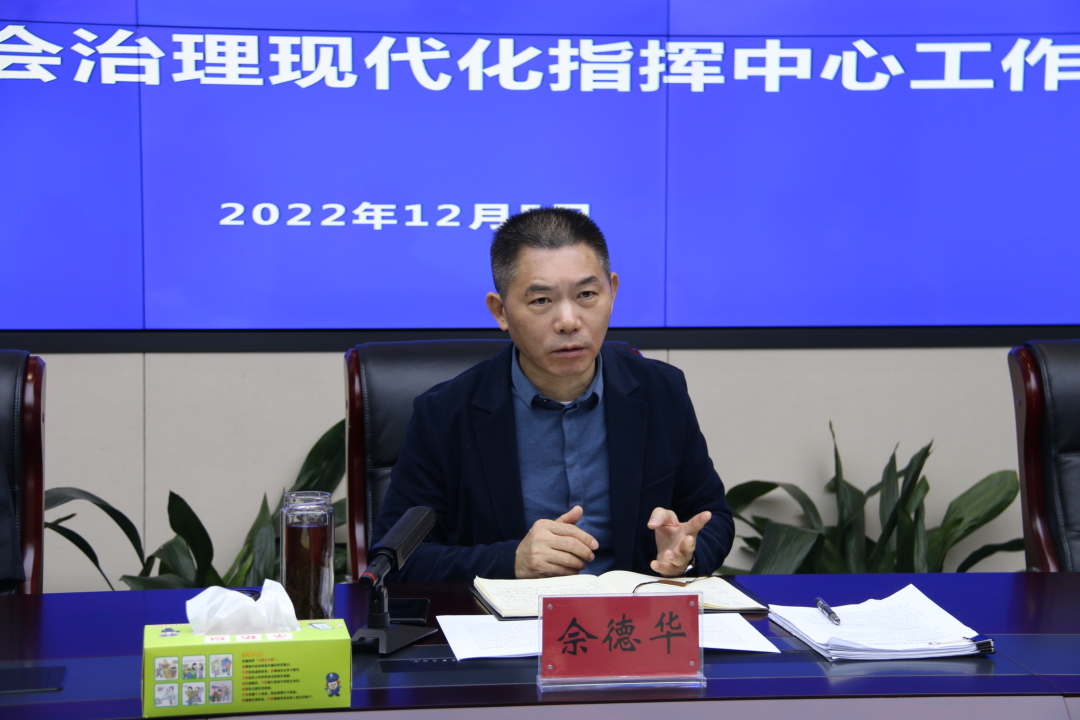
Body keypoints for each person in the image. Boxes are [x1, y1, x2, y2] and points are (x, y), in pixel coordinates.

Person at [372, 208, 734, 580]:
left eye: (586, 294)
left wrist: (685, 553)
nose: (568, 322)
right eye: (541, 301)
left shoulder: (661, 392)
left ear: (612, 292)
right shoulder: (445, 413)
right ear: (500, 311)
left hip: (629, 611)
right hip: (509, 614)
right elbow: (396, 560)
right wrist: (511, 560)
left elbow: (712, 518)